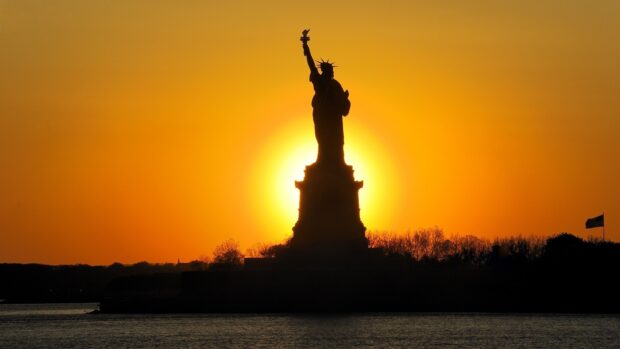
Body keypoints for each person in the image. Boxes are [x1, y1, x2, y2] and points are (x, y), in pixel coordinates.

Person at [301, 29, 350, 166]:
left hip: (334, 119)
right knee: (323, 139)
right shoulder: (319, 80)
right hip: (322, 116)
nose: (332, 73)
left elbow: (344, 110)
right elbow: (310, 64)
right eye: (330, 71)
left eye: (332, 71)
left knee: (337, 141)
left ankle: (337, 162)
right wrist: (305, 46)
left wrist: (345, 99)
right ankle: (323, 161)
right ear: (326, 71)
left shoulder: (335, 85)